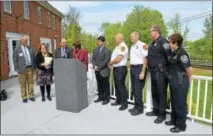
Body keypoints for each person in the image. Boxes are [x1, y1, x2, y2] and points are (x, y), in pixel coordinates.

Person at [165, 33, 192, 133]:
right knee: (174, 102)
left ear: (175, 43)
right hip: (174, 81)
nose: (169, 43)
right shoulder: (173, 52)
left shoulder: (182, 53)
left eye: (170, 41)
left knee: (180, 104)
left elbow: (189, 69)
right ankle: (173, 120)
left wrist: (189, 81)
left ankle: (181, 126)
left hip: (181, 82)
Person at [146, 25, 169, 124]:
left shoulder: (163, 41)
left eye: (151, 31)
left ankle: (162, 114)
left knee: (161, 93)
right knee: (154, 92)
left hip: (161, 72)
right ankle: (155, 110)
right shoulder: (153, 42)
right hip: (153, 71)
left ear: (156, 31)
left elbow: (169, 56)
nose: (150, 33)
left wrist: (165, 68)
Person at [128, 32, 148, 115]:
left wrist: (143, 71)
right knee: (134, 88)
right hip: (133, 68)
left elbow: (145, 58)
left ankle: (140, 109)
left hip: (139, 68)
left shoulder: (142, 45)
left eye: (132, 36)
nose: (130, 38)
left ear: (137, 36)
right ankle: (136, 106)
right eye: (130, 36)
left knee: (138, 89)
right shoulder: (132, 46)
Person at [13, 36, 37, 103]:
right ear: (21, 41)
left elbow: (34, 58)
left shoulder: (31, 48)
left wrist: (35, 68)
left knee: (31, 83)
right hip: (21, 70)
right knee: (23, 84)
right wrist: (17, 69)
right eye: (24, 40)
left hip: (30, 68)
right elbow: (15, 60)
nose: (26, 42)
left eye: (26, 40)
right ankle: (24, 97)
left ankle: (31, 96)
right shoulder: (17, 49)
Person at [108, 33, 128, 111]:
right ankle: (118, 100)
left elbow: (118, 59)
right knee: (117, 86)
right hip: (116, 68)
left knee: (121, 86)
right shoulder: (117, 47)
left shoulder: (123, 46)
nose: (115, 39)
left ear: (120, 38)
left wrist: (110, 63)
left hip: (120, 69)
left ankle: (124, 104)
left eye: (116, 38)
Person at [92, 36, 111, 105]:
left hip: (104, 71)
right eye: (98, 41)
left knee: (105, 85)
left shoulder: (107, 50)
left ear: (103, 42)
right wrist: (94, 66)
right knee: (99, 84)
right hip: (97, 70)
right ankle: (100, 97)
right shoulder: (95, 49)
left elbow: (106, 60)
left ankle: (106, 98)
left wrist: (98, 67)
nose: (98, 42)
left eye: (100, 41)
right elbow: (93, 59)